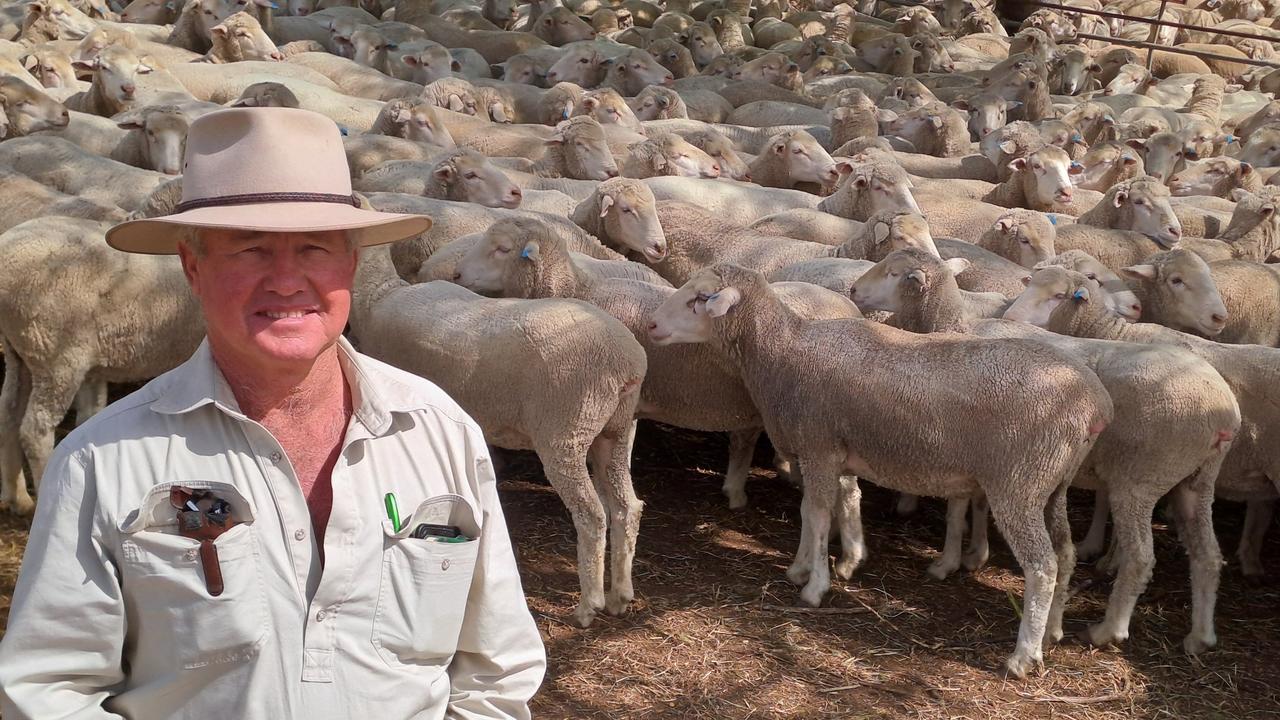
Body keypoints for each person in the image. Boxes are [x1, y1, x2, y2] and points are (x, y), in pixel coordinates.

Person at [0, 107, 546, 719]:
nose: (286, 281)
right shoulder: (102, 461)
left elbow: (496, 671)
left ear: (351, 263)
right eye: (249, 250)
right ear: (193, 267)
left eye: (314, 249)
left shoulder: (438, 433)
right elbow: (47, 692)